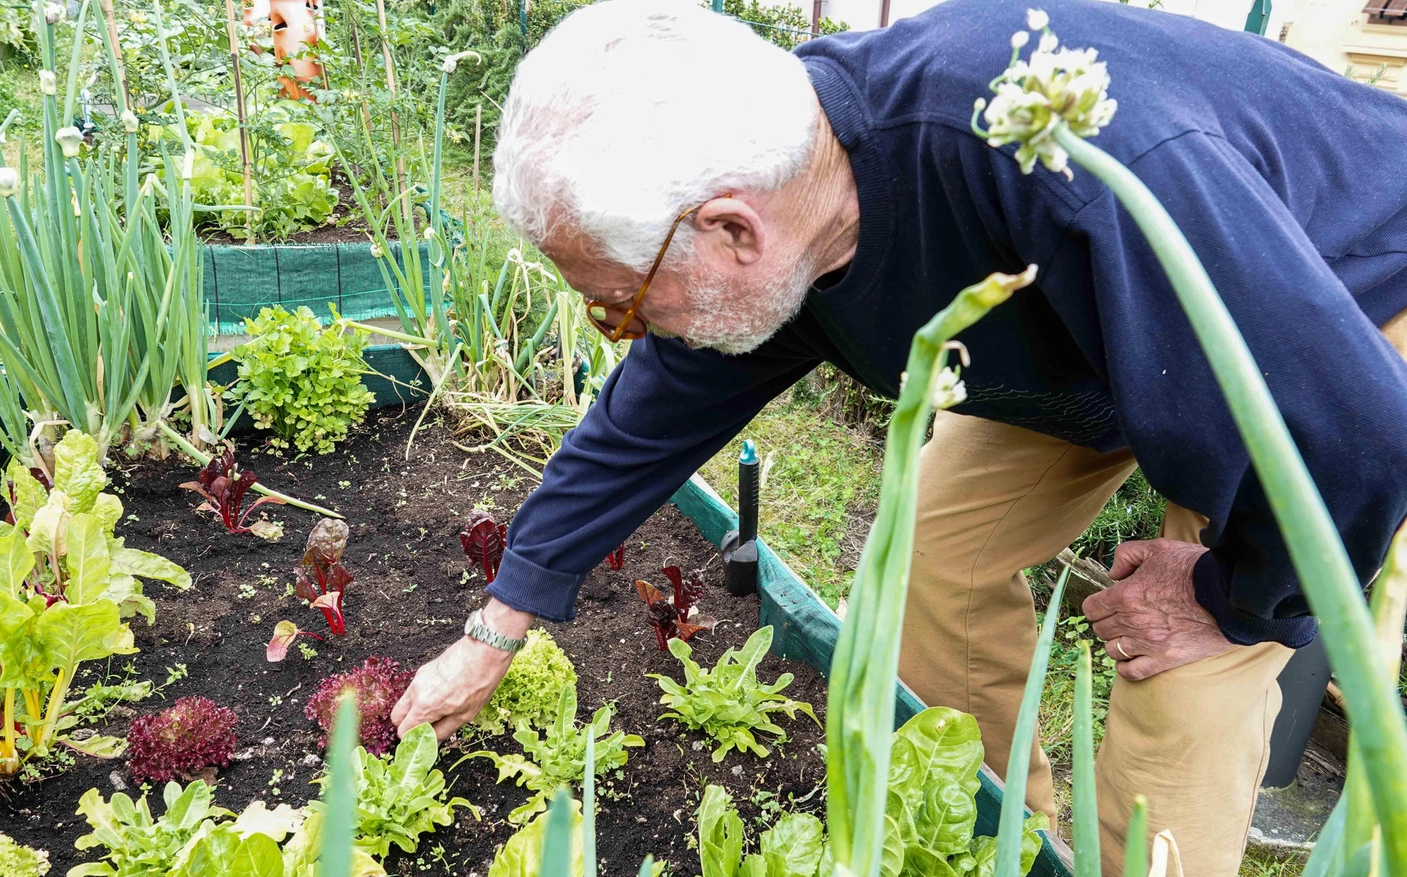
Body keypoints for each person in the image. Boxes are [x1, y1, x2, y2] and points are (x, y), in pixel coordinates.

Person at [388, 0, 1407, 873]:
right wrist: (497, 631)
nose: (624, 331)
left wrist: (1230, 596)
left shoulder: (1059, 154)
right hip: (1093, 337)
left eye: (617, 304)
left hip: (1325, 317)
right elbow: (643, 420)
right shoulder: (791, 199)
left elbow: (1357, 437)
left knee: (1181, 666)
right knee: (929, 555)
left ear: (732, 230)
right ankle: (1011, 836)